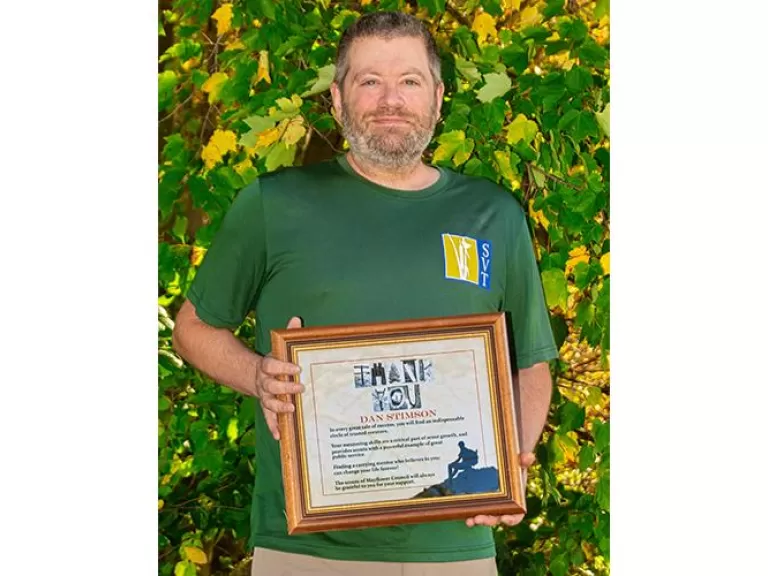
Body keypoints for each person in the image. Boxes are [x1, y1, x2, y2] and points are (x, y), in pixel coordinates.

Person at [172, 10, 558, 576]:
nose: (390, 100)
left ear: (438, 98)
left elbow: (530, 365)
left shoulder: (493, 214)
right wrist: (256, 375)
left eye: (410, 81)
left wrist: (511, 467)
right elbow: (192, 328)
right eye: (369, 81)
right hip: (306, 549)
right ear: (337, 98)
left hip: (453, 547)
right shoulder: (274, 204)